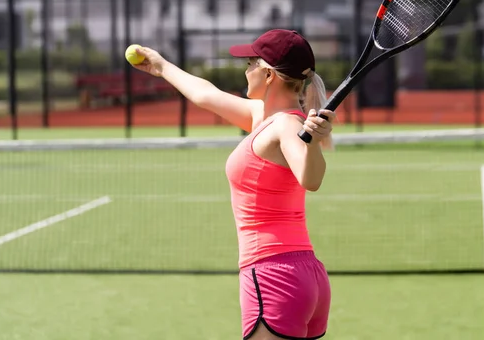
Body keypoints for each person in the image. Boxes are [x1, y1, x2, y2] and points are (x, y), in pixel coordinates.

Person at [132, 29, 335, 340]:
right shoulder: (265, 118)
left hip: (273, 275)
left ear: (268, 75)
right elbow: (205, 95)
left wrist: (312, 144)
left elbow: (312, 179)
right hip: (306, 276)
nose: (246, 69)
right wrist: (161, 66)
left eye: (252, 62)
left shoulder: (284, 125)